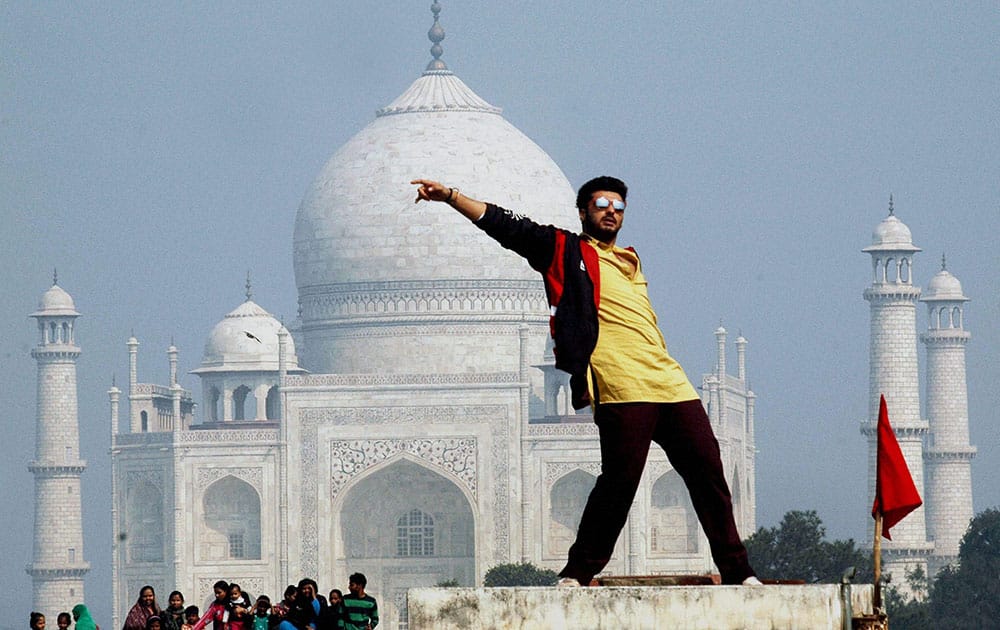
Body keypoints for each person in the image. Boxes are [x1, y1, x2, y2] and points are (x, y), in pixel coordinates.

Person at [411, 178, 759, 587]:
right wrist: (452, 197)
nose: (611, 211)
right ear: (583, 212)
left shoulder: (631, 260)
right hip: (620, 384)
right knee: (620, 481)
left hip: (670, 381)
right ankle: (578, 571)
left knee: (708, 469)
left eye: (619, 206)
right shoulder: (564, 250)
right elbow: (508, 227)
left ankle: (738, 572)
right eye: (601, 204)